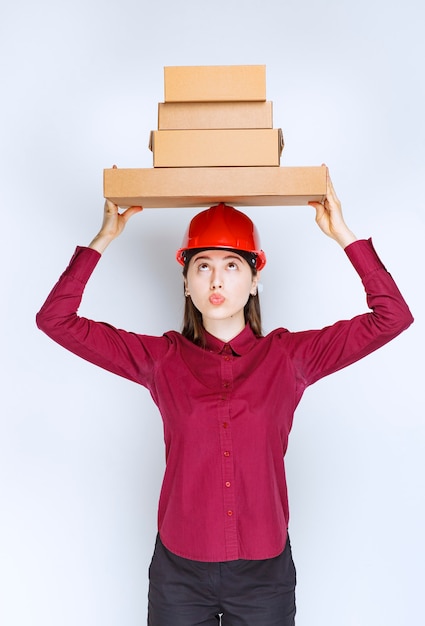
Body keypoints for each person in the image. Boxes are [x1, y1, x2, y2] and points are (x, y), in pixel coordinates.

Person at [36, 167, 413, 626]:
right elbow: (55, 320)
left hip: (264, 575)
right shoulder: (162, 360)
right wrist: (103, 237)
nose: (217, 281)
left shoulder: (288, 357)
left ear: (254, 280)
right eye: (203, 266)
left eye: (232, 265)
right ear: (187, 282)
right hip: (180, 572)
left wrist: (343, 234)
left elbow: (392, 317)